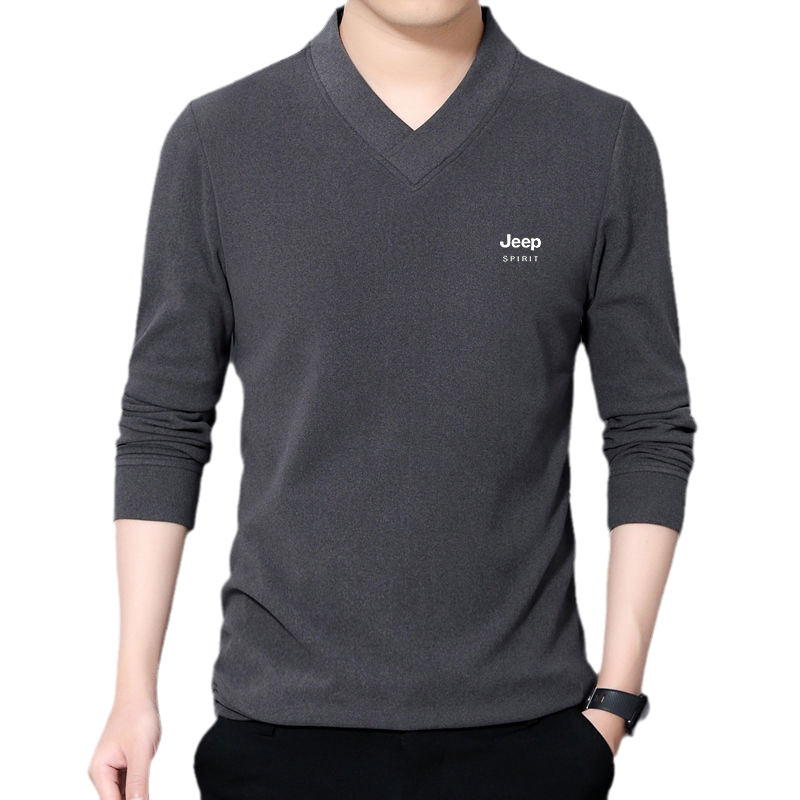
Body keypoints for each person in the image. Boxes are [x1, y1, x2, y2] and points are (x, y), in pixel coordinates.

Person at [85, 1, 700, 798]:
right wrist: (131, 695)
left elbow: (649, 428)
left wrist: (612, 708)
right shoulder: (219, 139)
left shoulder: (598, 138)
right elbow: (163, 424)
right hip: (277, 737)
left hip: (532, 739)